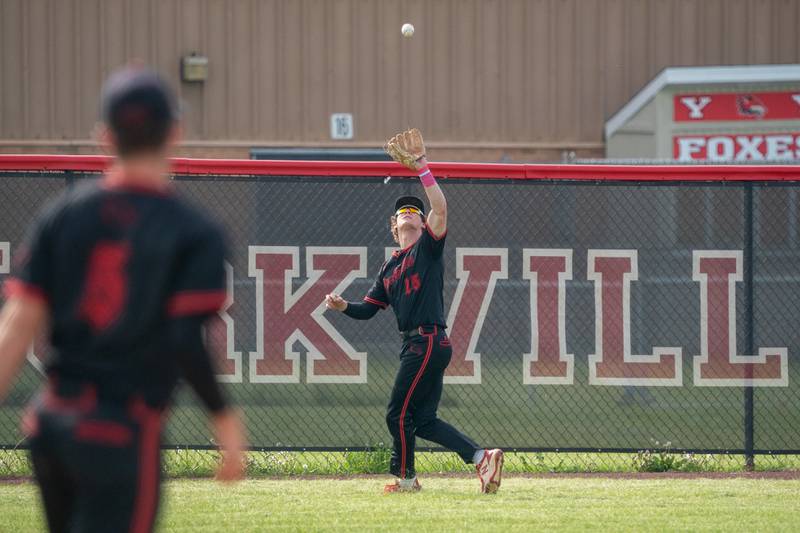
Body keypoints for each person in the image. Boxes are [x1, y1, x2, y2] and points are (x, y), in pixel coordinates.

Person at [0, 65, 246, 532]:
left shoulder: (62, 215)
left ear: (104, 137)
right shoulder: (194, 231)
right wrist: (224, 419)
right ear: (176, 132)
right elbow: (184, 339)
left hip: (52, 423)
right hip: (121, 428)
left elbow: (15, 327)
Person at [324, 129, 503, 494]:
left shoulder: (427, 250)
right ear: (394, 228)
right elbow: (367, 311)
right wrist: (344, 307)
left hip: (426, 342)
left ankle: (406, 479)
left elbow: (441, 207)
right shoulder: (389, 268)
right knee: (421, 420)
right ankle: (482, 457)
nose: (408, 214)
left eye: (414, 212)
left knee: (397, 414)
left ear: (422, 225)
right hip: (420, 346)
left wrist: (422, 168)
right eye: (401, 212)